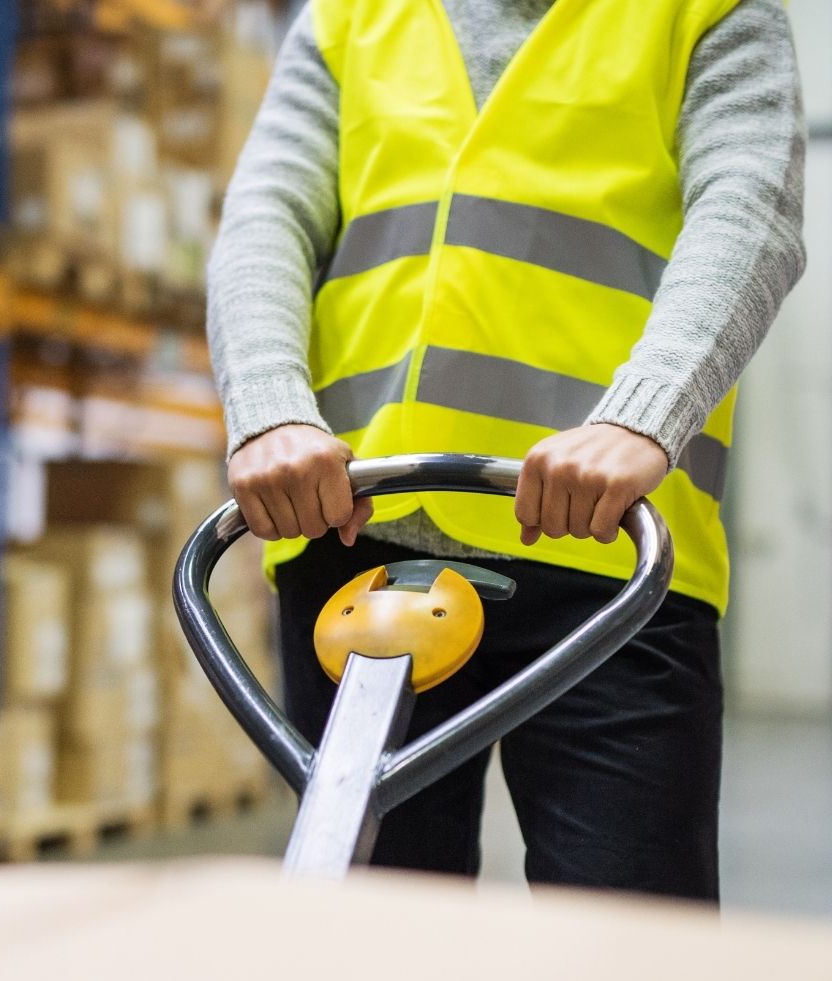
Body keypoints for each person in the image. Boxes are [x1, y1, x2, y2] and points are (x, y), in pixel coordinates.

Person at [206, 0, 806, 903]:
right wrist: (267, 410)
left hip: (611, 555)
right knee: (372, 938)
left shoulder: (708, 12)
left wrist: (641, 419)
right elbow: (267, 215)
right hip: (356, 546)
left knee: (626, 942)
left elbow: (748, 209)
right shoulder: (350, 17)